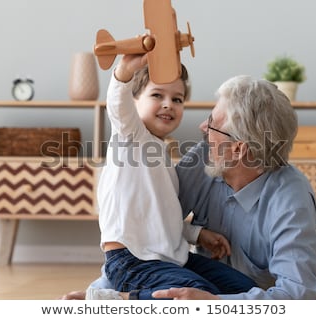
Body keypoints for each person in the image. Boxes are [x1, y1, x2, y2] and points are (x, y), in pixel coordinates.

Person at [83, 54, 256, 300]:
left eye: (177, 99)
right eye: (157, 95)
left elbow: (162, 217)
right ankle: (118, 301)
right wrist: (124, 71)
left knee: (246, 290)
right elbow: (117, 103)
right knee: (199, 297)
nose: (168, 104)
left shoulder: (165, 159)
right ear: (133, 102)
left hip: (172, 259)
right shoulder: (130, 135)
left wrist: (198, 235)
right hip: (132, 260)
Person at [152, 75, 316, 299]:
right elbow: (150, 223)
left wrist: (216, 304)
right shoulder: (202, 159)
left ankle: (308, 249)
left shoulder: (291, 199)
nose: (202, 127)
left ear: (239, 150)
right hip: (206, 280)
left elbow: (299, 295)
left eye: (212, 123)